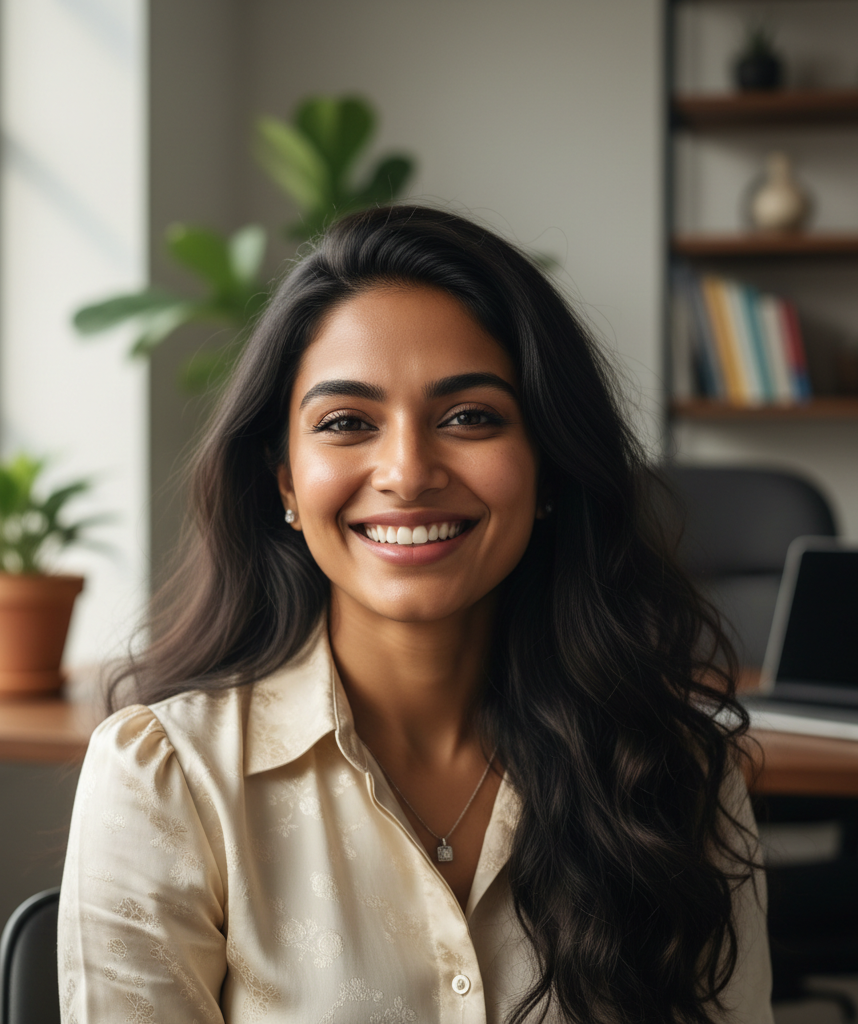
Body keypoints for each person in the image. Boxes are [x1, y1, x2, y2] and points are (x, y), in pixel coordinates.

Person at [58, 205, 773, 1024]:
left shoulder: (678, 770)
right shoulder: (169, 781)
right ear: (285, 481)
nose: (406, 471)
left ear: (547, 465)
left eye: (470, 417)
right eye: (346, 423)